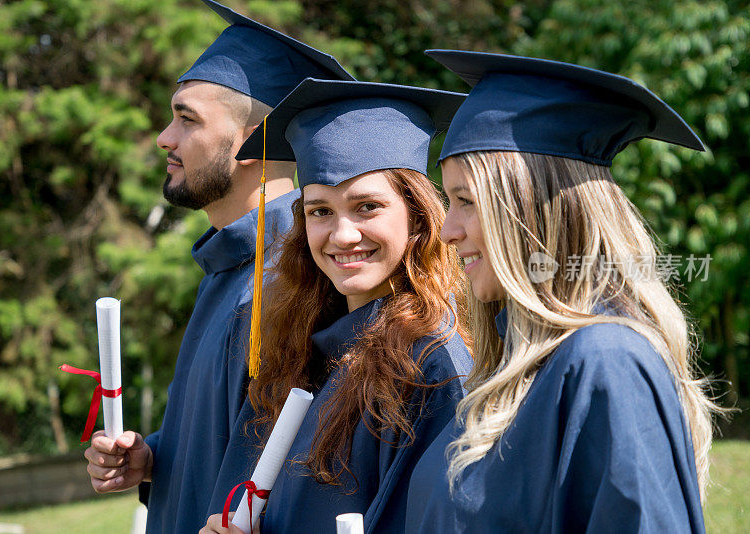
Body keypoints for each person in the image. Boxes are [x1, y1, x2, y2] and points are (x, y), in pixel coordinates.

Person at [405, 51, 719, 533]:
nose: (447, 230)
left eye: (467, 200)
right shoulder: (517, 368)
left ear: (535, 211)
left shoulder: (606, 363)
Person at [81, 2, 353, 533]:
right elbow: (225, 442)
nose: (165, 137)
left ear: (254, 140)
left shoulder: (290, 284)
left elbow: (288, 477)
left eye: (187, 120)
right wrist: (152, 458)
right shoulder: (230, 269)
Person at [198, 78, 472, 534]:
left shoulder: (430, 362)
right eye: (320, 210)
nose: (342, 235)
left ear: (417, 216)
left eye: (366, 206)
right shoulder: (305, 348)